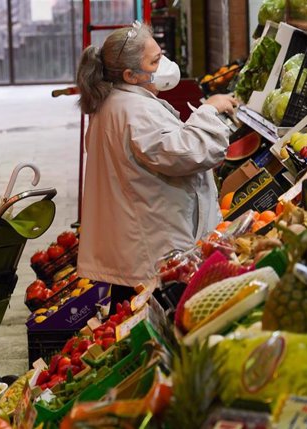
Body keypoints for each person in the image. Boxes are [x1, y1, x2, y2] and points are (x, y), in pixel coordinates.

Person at [75, 21, 237, 312]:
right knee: (152, 320)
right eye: (155, 61)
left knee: (129, 313)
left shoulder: (116, 102)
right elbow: (188, 153)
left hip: (137, 245)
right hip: (150, 251)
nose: (164, 66)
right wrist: (210, 110)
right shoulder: (135, 111)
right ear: (130, 75)